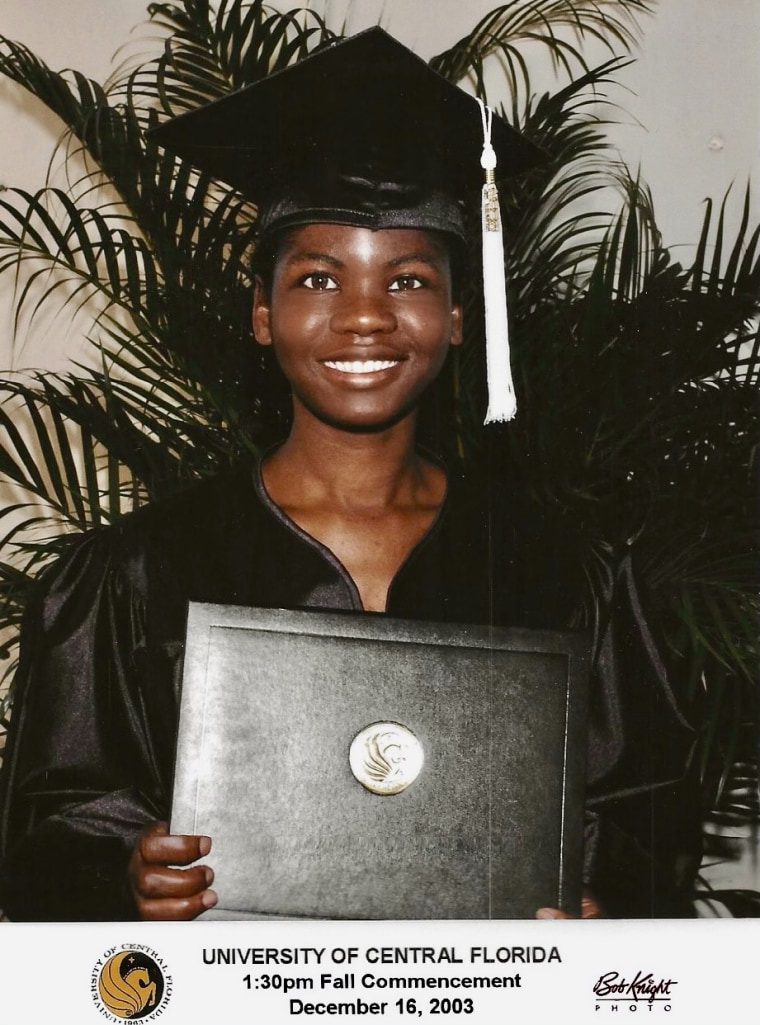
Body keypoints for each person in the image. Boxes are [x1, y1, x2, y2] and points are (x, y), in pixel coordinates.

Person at [0, 29, 700, 922]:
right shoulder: (135, 573)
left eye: (408, 281)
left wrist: (605, 904)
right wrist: (124, 875)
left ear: (457, 316)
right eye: (319, 279)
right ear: (261, 312)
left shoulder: (563, 570)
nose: (365, 317)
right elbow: (45, 835)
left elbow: (646, 818)